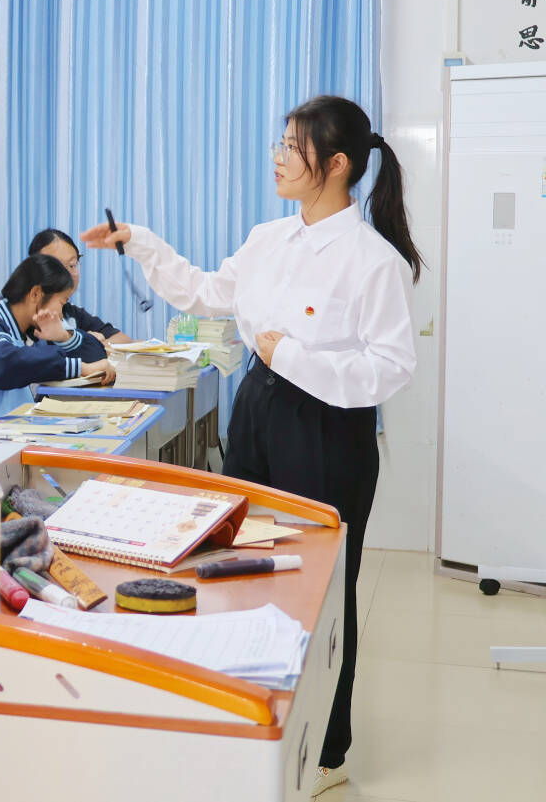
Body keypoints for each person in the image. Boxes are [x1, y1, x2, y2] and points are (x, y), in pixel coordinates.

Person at [82, 94, 421, 797]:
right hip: (259, 407)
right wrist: (139, 241)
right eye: (281, 142)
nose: (278, 156)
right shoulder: (269, 237)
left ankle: (327, 749)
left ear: (337, 164)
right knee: (239, 560)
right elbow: (207, 293)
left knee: (323, 585)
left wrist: (292, 355)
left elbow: (390, 368)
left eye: (293, 146)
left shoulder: (373, 260)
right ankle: (248, 711)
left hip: (327, 427)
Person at [0, 254, 116, 441]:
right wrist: (80, 368)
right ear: (36, 294)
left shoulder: (30, 332)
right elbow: (7, 362)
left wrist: (64, 337)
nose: (60, 314)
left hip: (8, 441)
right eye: (61, 303)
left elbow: (96, 357)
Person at [27, 228, 131, 361]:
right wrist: (89, 346)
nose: (67, 275)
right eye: (56, 267)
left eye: (72, 265)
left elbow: (124, 340)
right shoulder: (25, 316)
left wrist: (96, 345)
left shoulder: (71, 313)